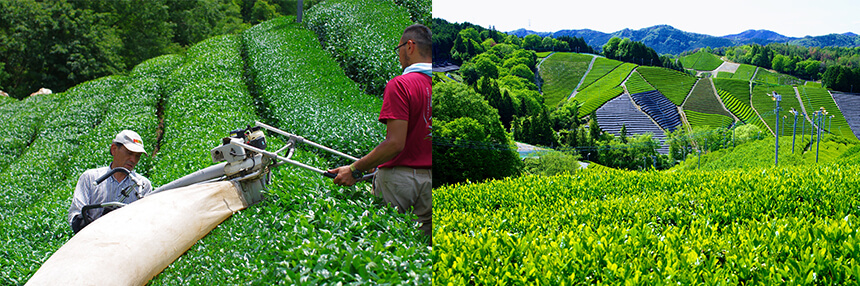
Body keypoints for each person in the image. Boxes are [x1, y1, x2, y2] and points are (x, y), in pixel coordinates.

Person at [329, 24, 432, 242]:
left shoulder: (402, 84)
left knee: (391, 245)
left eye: (400, 48)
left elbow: (395, 144)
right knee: (423, 252)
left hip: (402, 182)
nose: (400, 56)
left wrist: (355, 170)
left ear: (410, 46)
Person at [68, 130, 153, 233]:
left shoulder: (143, 185)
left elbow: (146, 222)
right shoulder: (90, 178)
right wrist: (95, 225)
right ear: (114, 149)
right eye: (129, 153)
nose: (133, 160)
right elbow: (75, 214)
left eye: (137, 156)